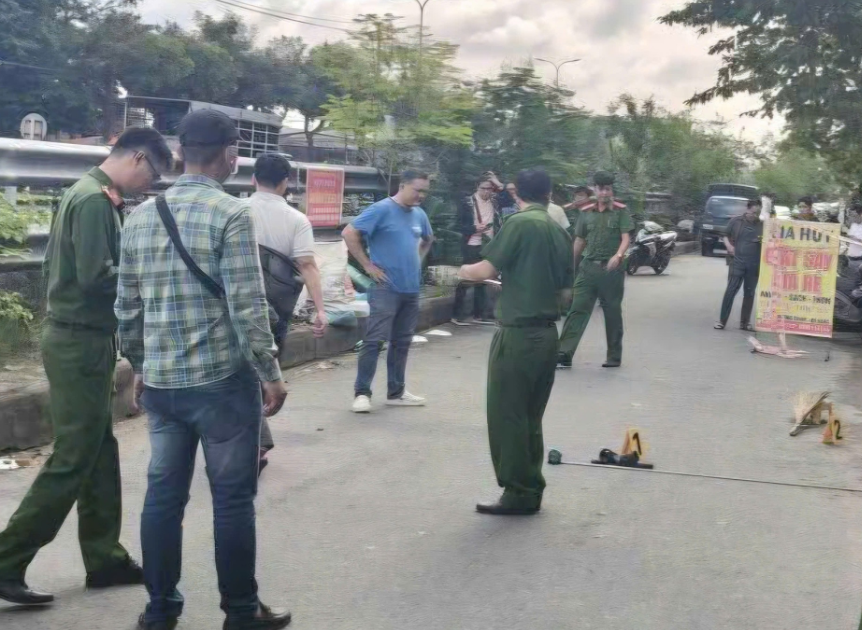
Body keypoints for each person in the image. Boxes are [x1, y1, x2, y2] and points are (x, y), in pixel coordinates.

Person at [116, 110, 290, 630]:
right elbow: (248, 305)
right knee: (232, 500)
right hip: (221, 385)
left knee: (163, 498)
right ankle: (240, 611)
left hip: (163, 384)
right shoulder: (232, 214)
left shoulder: (140, 216)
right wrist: (270, 371)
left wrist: (141, 365)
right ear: (231, 154)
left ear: (180, 151)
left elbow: (127, 307)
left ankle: (159, 610)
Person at [0, 128, 172, 607]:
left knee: (99, 450)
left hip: (84, 338)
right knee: (75, 454)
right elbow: (99, 278)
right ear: (138, 159)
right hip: (79, 341)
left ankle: (104, 557)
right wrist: (151, 274)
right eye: (153, 175)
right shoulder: (95, 201)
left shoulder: (90, 193)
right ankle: (7, 559)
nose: (150, 185)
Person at [458, 168, 573, 515]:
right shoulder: (559, 231)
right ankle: (531, 487)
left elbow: (484, 270)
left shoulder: (519, 224)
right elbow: (566, 294)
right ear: (549, 194)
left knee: (507, 416)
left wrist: (460, 271)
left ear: (516, 193)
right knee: (530, 417)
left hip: (518, 335)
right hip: (547, 335)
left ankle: (518, 492)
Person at [249, 153, 327, 473]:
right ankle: (254, 443)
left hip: (235, 306)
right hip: (276, 311)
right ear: (285, 183)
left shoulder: (234, 210)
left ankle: (249, 442)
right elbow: (307, 265)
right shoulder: (296, 219)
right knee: (263, 370)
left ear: (253, 179)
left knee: (243, 376)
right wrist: (320, 310)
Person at [343, 170, 434, 414]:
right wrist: (367, 265)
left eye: (425, 191)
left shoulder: (419, 214)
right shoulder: (381, 209)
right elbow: (349, 232)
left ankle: (396, 392)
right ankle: (362, 393)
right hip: (385, 287)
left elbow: (428, 239)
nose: (421, 195)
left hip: (410, 288)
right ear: (402, 185)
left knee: (402, 342)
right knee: (374, 340)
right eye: (417, 190)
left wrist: (416, 261)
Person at [557, 171, 633, 370]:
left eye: (607, 189)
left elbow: (626, 238)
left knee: (612, 312)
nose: (604, 193)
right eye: (600, 189)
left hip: (611, 271)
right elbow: (580, 240)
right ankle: (564, 354)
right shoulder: (586, 212)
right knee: (577, 309)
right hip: (588, 268)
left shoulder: (621, 211)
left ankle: (614, 356)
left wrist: (618, 255)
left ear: (611, 190)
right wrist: (570, 266)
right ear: (595, 190)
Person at [453, 175, 500, 325]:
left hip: (488, 244)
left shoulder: (494, 202)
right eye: (483, 188)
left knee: (483, 279)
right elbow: (458, 225)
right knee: (466, 279)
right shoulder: (467, 202)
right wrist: (474, 228)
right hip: (471, 244)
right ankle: (457, 315)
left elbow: (510, 195)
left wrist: (498, 183)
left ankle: (480, 314)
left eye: (489, 189)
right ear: (477, 187)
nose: (486, 191)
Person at [714, 198, 764, 332]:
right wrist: (729, 246)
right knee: (731, 290)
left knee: (749, 293)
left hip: (754, 263)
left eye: (758, 213)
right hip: (737, 262)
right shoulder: (736, 221)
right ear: (747, 209)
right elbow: (725, 235)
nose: (755, 216)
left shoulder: (762, 225)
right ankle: (722, 321)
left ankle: (745, 323)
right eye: (753, 212)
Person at [846, 206, 862, 274]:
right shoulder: (854, 226)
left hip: (858, 258)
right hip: (852, 257)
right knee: (854, 276)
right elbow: (849, 239)